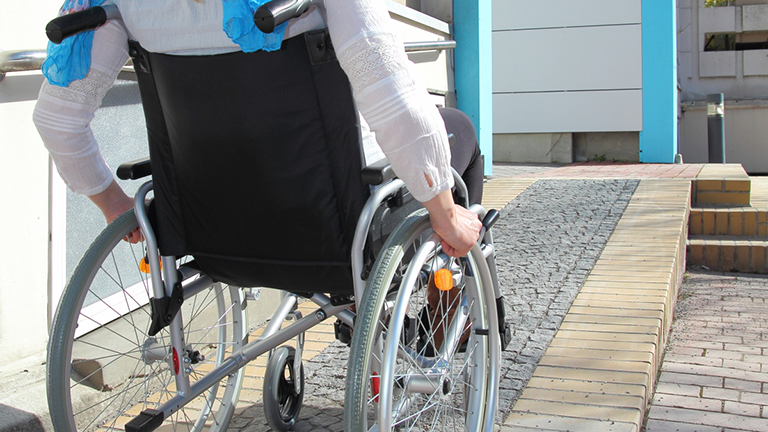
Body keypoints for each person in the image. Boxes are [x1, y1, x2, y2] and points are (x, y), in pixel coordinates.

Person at [33, 0, 484, 257]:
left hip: (202, 225)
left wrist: (113, 204)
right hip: (327, 215)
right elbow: (392, 97)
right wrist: (446, 215)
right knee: (459, 131)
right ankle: (438, 316)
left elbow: (58, 120)